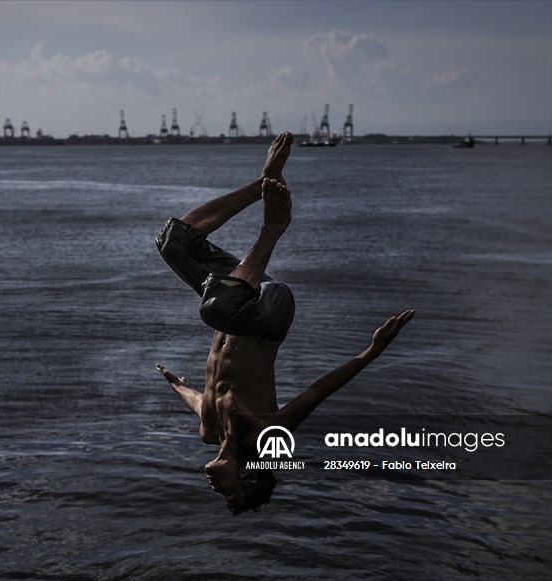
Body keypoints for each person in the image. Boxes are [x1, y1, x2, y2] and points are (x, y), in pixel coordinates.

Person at [155, 131, 414, 515]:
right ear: (247, 476)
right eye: (229, 494)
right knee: (215, 311)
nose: (216, 490)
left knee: (173, 241)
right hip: (270, 314)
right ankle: (273, 227)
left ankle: (263, 184)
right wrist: (372, 351)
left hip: (235, 295)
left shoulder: (209, 428)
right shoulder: (263, 434)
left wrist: (176, 384)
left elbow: (196, 399)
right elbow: (318, 391)